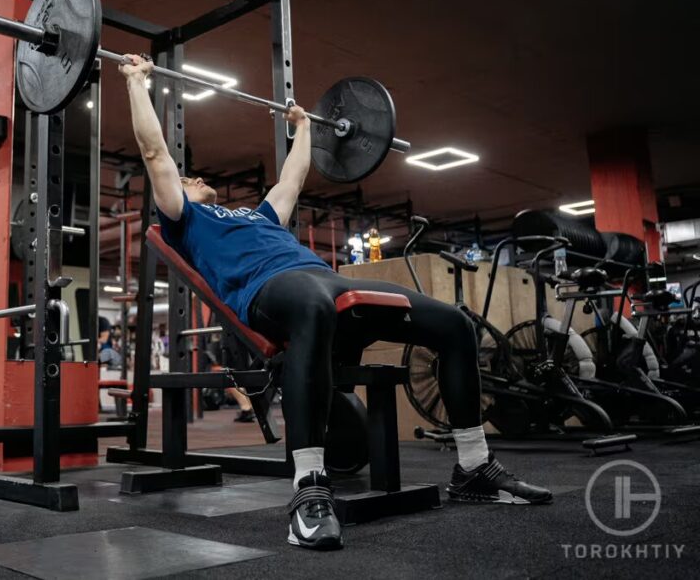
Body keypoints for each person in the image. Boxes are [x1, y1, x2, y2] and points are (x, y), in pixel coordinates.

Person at [120, 54, 551, 551]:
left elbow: (292, 179)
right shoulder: (185, 222)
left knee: (454, 324)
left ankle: (474, 467)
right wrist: (137, 82)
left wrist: (303, 126)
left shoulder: (258, 217)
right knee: (314, 305)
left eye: (192, 177)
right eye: (188, 178)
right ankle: (308, 488)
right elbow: (156, 155)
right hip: (272, 293)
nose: (192, 179)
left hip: (328, 283)